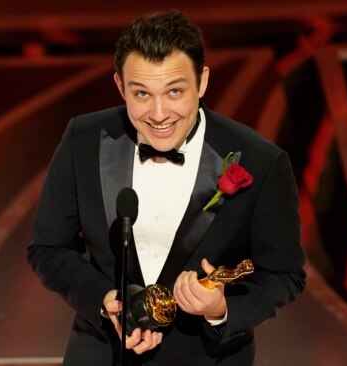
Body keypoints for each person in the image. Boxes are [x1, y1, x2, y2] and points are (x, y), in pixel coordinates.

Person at [27, 9, 306, 365]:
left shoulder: (260, 160)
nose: (158, 114)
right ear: (119, 86)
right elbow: (48, 249)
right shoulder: (83, 140)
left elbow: (284, 275)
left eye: (174, 91)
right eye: (141, 94)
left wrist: (221, 308)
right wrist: (107, 300)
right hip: (103, 354)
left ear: (202, 81)